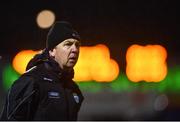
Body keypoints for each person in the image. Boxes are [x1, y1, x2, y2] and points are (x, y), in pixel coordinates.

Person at [0, 21, 84, 120]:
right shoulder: (32, 81)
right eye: (68, 44)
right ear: (52, 51)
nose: (75, 49)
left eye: (77, 45)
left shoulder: (74, 89)